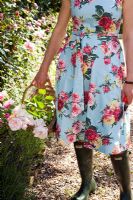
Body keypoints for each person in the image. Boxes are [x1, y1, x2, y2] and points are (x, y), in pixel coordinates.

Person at [31, 0, 133, 199]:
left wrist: (131, 79)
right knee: (77, 123)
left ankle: (126, 192)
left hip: (107, 66)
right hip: (72, 65)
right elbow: (60, 29)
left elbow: (129, 35)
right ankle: (87, 183)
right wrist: (42, 70)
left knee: (114, 125)